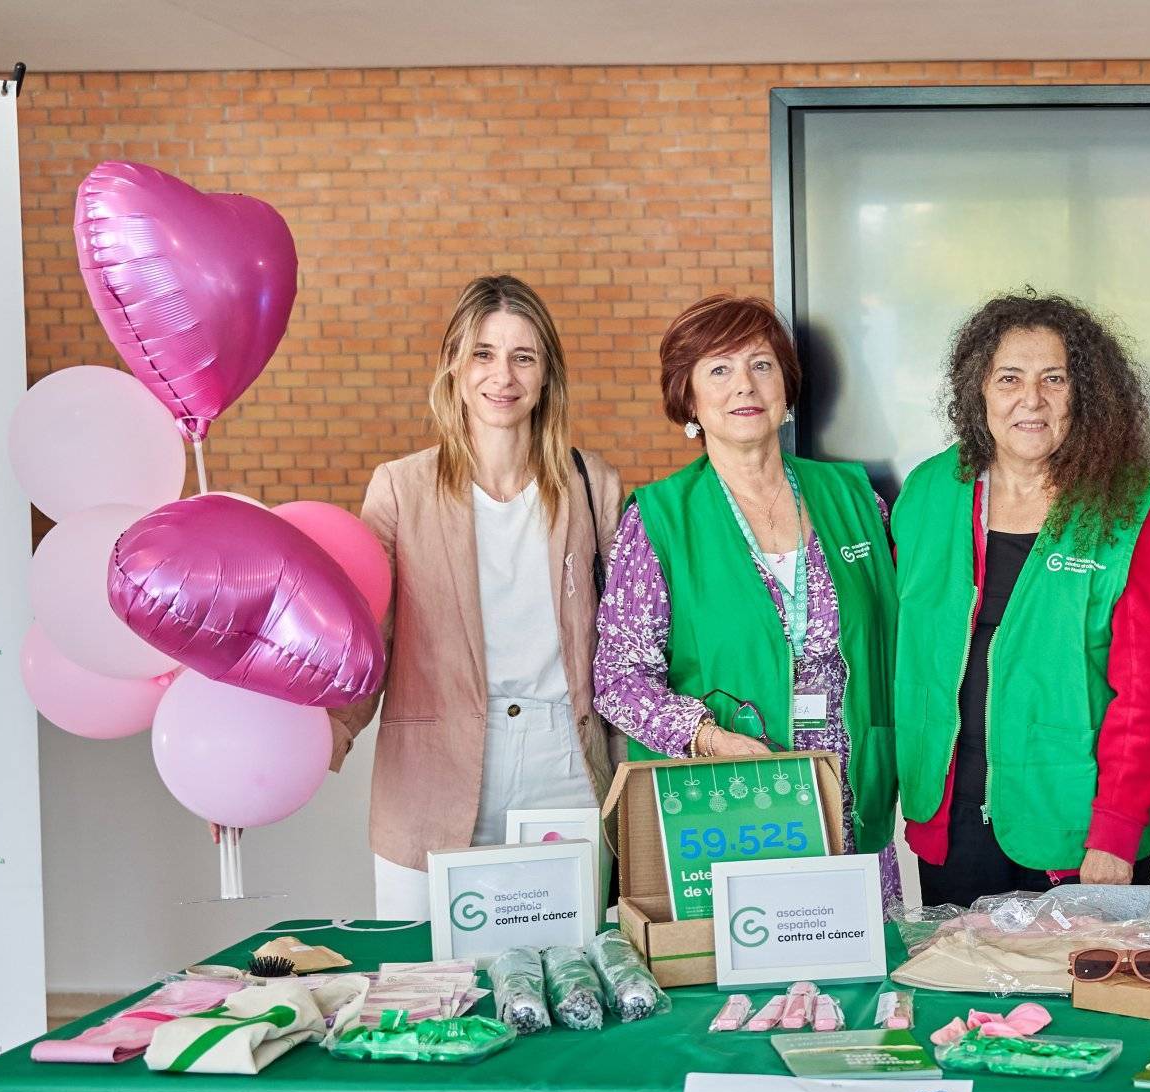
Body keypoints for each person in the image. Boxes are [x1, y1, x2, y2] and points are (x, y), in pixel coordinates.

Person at [332, 275, 622, 921]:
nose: (503, 376)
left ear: (547, 375)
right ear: (455, 368)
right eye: (484, 354)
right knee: (425, 986)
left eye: (525, 356)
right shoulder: (399, 489)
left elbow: (628, 647)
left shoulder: (593, 484)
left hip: (565, 771)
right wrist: (307, 744)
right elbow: (364, 641)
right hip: (433, 778)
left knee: (566, 985)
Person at [592, 294, 898, 881]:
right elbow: (620, 681)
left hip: (851, 794)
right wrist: (708, 740)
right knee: (751, 957)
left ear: (785, 384)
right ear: (689, 398)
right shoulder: (659, 518)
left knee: (855, 960)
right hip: (732, 797)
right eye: (719, 369)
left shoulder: (856, 498)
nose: (745, 386)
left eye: (761, 364)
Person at [891, 292, 1150, 906]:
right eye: (1009, 379)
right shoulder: (926, 494)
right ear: (979, 392)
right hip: (955, 819)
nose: (1032, 399)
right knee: (963, 994)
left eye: (1055, 379)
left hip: (1079, 828)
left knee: (1082, 997)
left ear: (1086, 394)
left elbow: (1148, 690)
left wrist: (1118, 830)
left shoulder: (1128, 507)